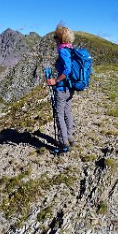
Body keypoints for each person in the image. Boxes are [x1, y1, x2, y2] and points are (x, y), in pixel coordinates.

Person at [44, 24, 76, 153]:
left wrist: (56, 81)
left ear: (60, 38)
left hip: (62, 88)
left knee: (59, 114)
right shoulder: (70, 49)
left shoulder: (63, 51)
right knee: (67, 112)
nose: (54, 39)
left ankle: (63, 143)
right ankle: (70, 137)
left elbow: (67, 70)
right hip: (70, 87)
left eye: (55, 36)